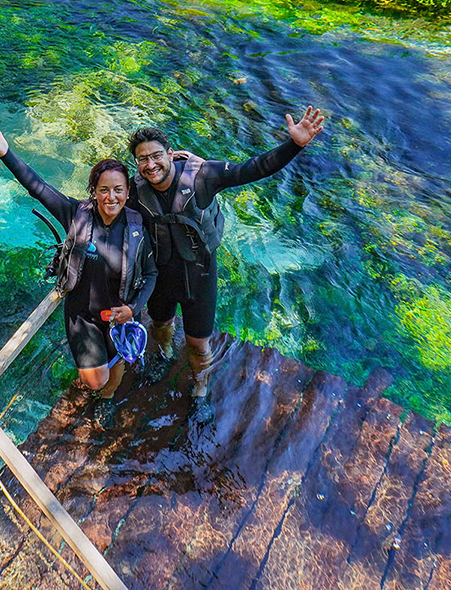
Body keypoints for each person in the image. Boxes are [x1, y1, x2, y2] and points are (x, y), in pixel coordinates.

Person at [128, 106, 325, 396]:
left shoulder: (203, 176)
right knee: (160, 324)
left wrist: (293, 145)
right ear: (136, 164)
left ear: (171, 154)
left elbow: (254, 168)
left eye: (156, 155)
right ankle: (165, 354)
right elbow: (104, 206)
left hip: (200, 275)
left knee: (199, 344)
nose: (150, 164)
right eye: (142, 159)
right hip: (160, 275)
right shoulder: (135, 191)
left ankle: (200, 388)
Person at [0, 122, 157, 398]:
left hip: (120, 315)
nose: (111, 197)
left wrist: (133, 309)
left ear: (128, 192)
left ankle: (106, 401)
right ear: (94, 191)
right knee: (96, 380)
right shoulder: (77, 214)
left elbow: (151, 273)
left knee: (119, 362)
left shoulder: (136, 226)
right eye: (104, 190)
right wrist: (6, 154)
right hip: (82, 315)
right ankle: (100, 391)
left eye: (119, 190)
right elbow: (37, 187)